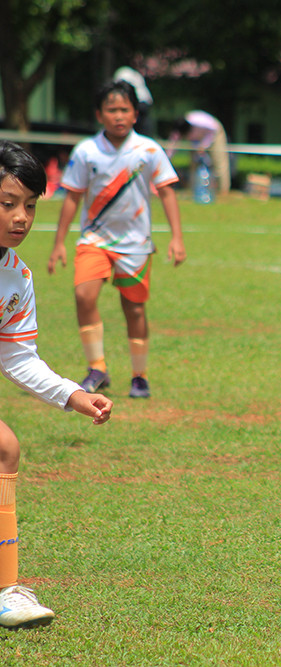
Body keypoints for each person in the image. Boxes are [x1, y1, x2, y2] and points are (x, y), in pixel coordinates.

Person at [0, 140, 114, 629]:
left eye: (29, 205)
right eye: (7, 203)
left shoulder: (16, 276)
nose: (21, 217)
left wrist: (75, 394)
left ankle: (7, 590)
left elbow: (18, 357)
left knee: (4, 449)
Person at [48, 80, 186, 399]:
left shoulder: (149, 150)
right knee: (84, 297)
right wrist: (58, 243)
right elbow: (72, 197)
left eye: (125, 109)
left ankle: (139, 376)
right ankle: (97, 368)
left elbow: (166, 192)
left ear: (136, 114)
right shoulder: (86, 151)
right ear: (99, 114)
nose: (118, 115)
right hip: (94, 240)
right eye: (111, 109)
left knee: (134, 309)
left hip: (135, 244)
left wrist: (177, 238)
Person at [168, 110, 231, 196]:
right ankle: (193, 190)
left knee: (218, 163)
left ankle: (223, 191)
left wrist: (204, 145)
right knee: (194, 164)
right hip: (197, 139)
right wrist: (168, 158)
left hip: (214, 134)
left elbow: (214, 129)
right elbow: (173, 144)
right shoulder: (179, 128)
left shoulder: (197, 122)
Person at [112, 67, 154, 136]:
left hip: (137, 100)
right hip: (145, 100)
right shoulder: (135, 74)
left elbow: (121, 89)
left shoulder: (123, 73)